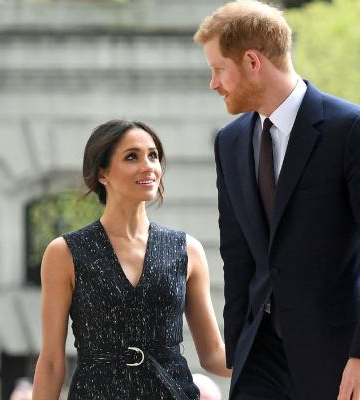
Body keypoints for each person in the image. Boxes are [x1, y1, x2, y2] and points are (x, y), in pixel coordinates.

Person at [194, 1, 360, 399]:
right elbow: (237, 252)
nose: (214, 83)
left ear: (252, 62)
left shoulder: (353, 130)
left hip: (342, 359)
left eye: (219, 69)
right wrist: (239, 345)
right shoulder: (230, 141)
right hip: (261, 359)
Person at [32, 119, 231, 400]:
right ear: (102, 173)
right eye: (131, 157)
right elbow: (52, 362)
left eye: (153, 155)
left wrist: (284, 355)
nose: (148, 165)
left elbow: (213, 355)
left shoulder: (187, 250)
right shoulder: (64, 253)